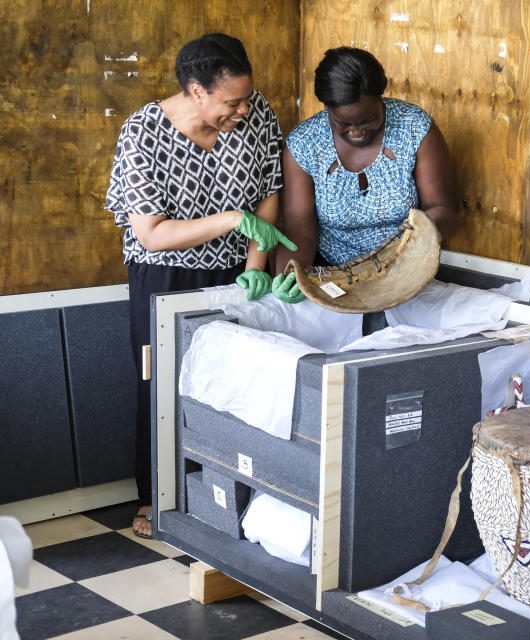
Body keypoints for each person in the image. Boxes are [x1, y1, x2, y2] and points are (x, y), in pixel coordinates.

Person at [105, 33, 294, 538]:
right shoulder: (142, 133)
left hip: (235, 272)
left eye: (247, 98)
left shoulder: (257, 115)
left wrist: (258, 264)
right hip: (165, 276)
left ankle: (230, 500)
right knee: (163, 384)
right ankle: (158, 498)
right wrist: (233, 220)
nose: (243, 109)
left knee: (234, 381)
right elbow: (152, 232)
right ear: (195, 92)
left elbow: (270, 194)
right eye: (231, 102)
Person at [274, 46, 456, 302]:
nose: (357, 132)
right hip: (333, 274)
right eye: (343, 124)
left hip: (407, 269)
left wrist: (422, 236)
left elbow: (442, 208)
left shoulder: (414, 127)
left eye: (369, 120)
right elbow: (299, 229)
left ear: (381, 98)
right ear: (327, 108)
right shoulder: (305, 144)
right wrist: (292, 274)